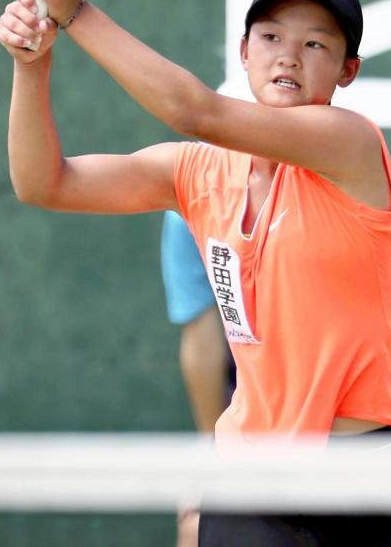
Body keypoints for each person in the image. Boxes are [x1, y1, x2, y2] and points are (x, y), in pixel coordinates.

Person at [0, 0, 391, 545]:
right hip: (250, 479)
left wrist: (77, 14)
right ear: (243, 52)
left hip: (370, 475)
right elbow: (43, 183)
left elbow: (196, 111)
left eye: (315, 43)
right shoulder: (195, 172)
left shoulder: (353, 144)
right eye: (270, 37)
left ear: (348, 71)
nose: (288, 55)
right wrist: (32, 65)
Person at [161, 210, 236, 547]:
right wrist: (212, 449)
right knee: (195, 524)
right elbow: (201, 340)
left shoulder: (339, 181)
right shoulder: (190, 202)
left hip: (360, 408)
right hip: (252, 411)